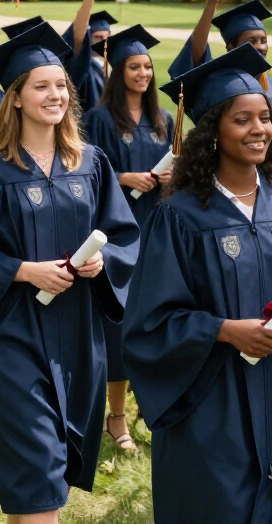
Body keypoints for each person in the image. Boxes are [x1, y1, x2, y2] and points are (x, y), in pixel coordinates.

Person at [123, 44, 272, 524]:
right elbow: (151, 323)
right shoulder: (179, 218)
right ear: (211, 133)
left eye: (265, 118)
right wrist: (223, 330)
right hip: (211, 401)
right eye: (242, 120)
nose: (259, 130)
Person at [0, 23, 139, 524]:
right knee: (36, 468)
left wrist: (101, 262)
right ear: (17, 98)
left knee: (45, 476)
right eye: (40, 86)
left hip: (76, 337)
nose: (54, 95)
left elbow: (125, 237)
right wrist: (24, 271)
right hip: (11, 337)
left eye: (60, 87)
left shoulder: (90, 163)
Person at [80, 25, 173, 454]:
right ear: (118, 72)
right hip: (118, 233)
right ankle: (113, 417)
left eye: (148, 66)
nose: (143, 73)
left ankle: (149, 407)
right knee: (118, 326)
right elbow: (86, 175)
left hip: (155, 227)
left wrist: (170, 178)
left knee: (154, 323)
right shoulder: (99, 119)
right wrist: (122, 177)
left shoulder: (163, 120)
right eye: (134, 66)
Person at [172, 0, 272, 131]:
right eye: (252, 41)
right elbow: (194, 56)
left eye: (263, 41)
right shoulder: (219, 88)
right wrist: (212, 2)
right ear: (230, 45)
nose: (260, 46)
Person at [62, 0, 117, 111]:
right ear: (88, 39)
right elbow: (78, 36)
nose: (104, 42)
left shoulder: (116, 67)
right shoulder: (83, 67)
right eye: (98, 37)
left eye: (107, 37)